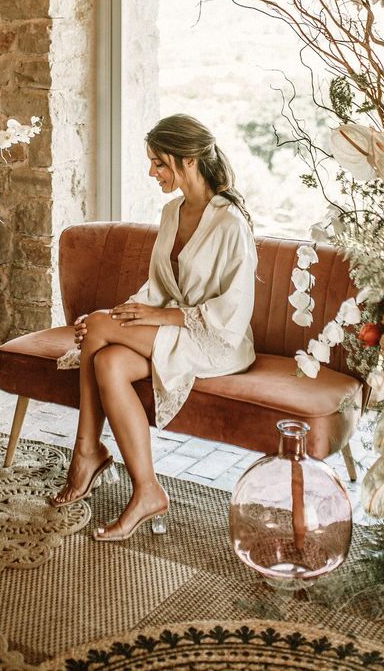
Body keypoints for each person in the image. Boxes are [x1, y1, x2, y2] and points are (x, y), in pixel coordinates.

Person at [51, 114, 257, 542]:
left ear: (188, 162)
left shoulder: (231, 223)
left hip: (215, 339)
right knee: (107, 360)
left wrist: (147, 318)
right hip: (174, 328)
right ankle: (147, 490)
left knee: (99, 330)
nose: (152, 172)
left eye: (159, 164)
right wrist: (121, 313)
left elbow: (233, 311)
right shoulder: (171, 212)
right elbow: (159, 287)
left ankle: (87, 452)